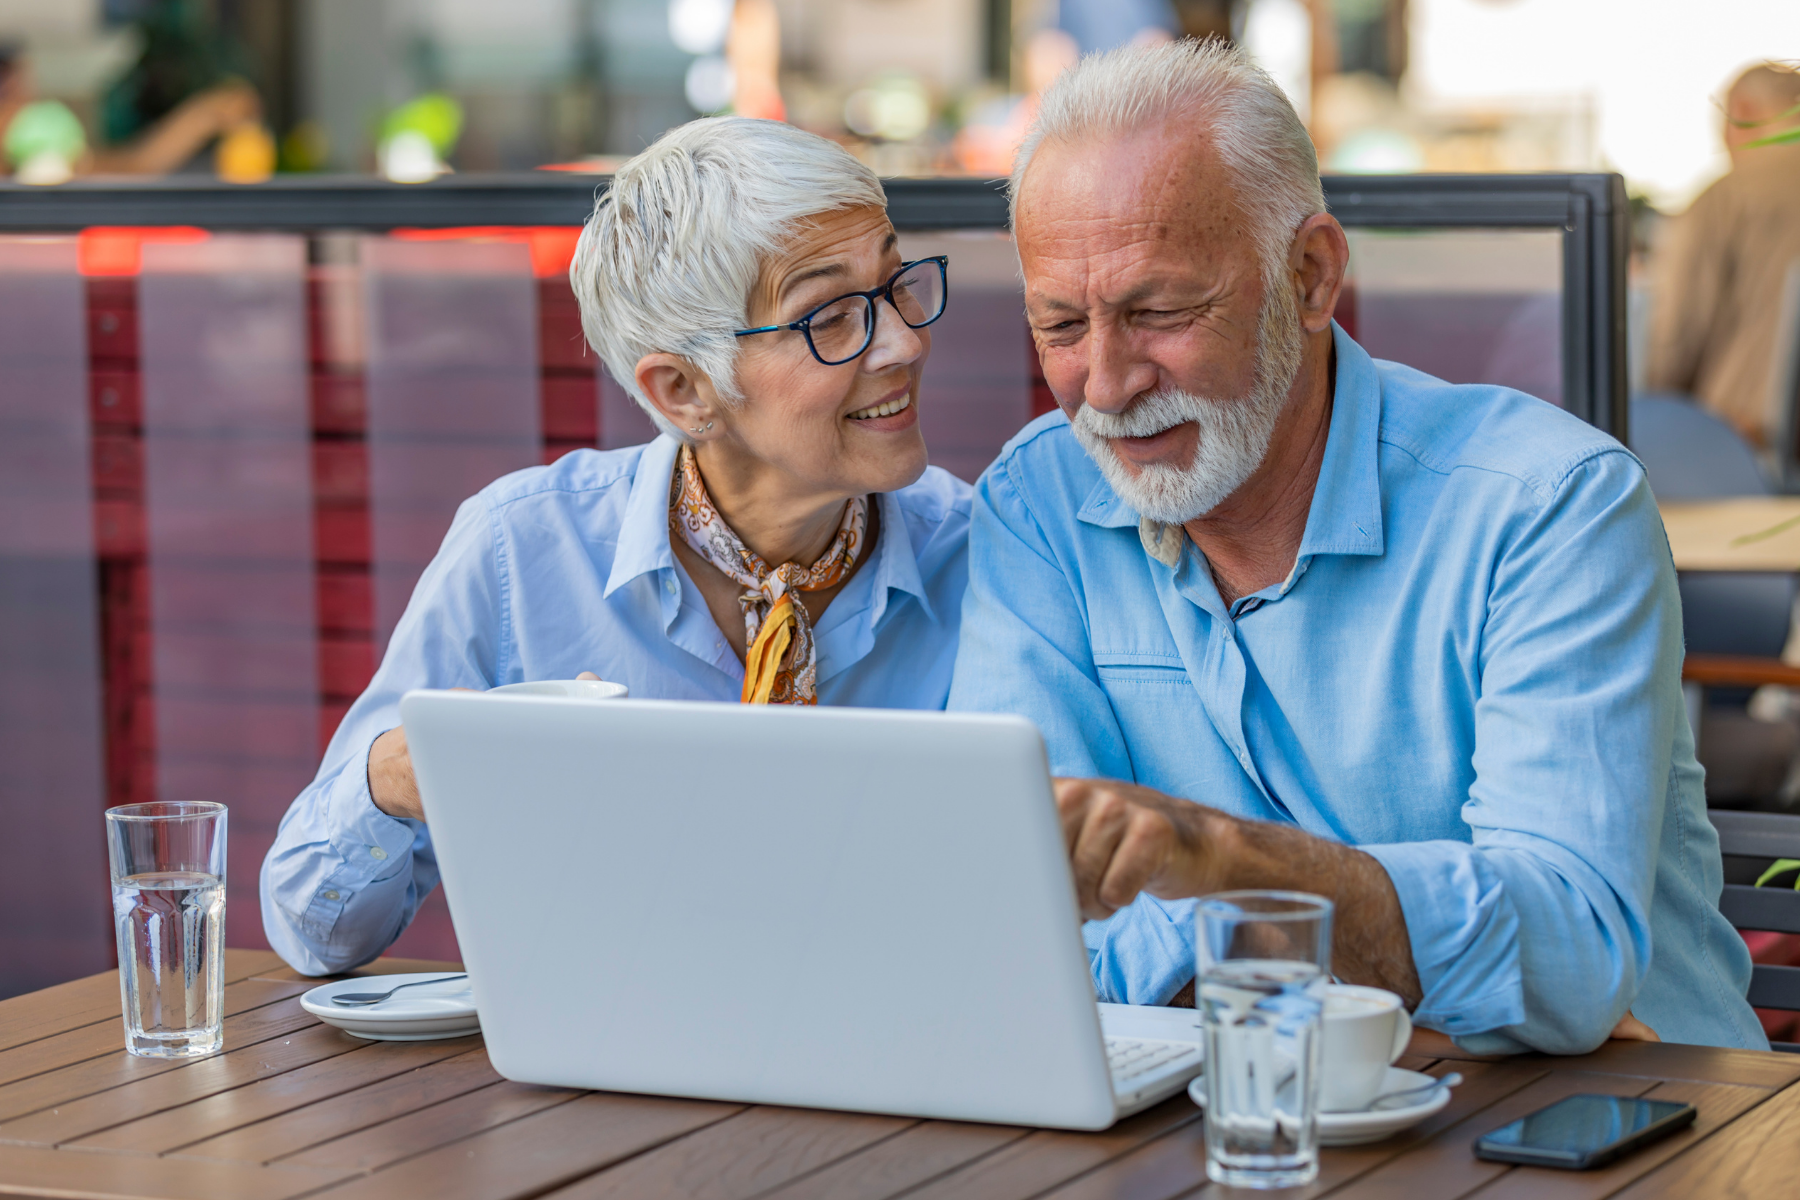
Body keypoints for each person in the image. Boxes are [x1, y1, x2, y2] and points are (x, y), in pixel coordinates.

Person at [949, 40, 1764, 1054]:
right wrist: (1392, 1003)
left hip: (1618, 1134)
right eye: (1062, 325)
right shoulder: (1038, 499)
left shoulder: (1548, 507)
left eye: (1158, 312)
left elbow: (1566, 953)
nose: (1106, 386)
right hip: (1235, 1118)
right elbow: (1023, 918)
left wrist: (1204, 861)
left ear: (1311, 275)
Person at [262, 118, 969, 974]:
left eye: (896, 286)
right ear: (682, 392)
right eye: (828, 316)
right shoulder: (520, 553)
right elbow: (313, 930)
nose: (903, 342)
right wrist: (405, 774)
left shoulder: (981, 557)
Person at [1644, 61, 1800, 448]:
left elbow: (1677, 335)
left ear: (1743, 113)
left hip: (1747, 436)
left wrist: (1652, 412)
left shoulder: (1724, 198)